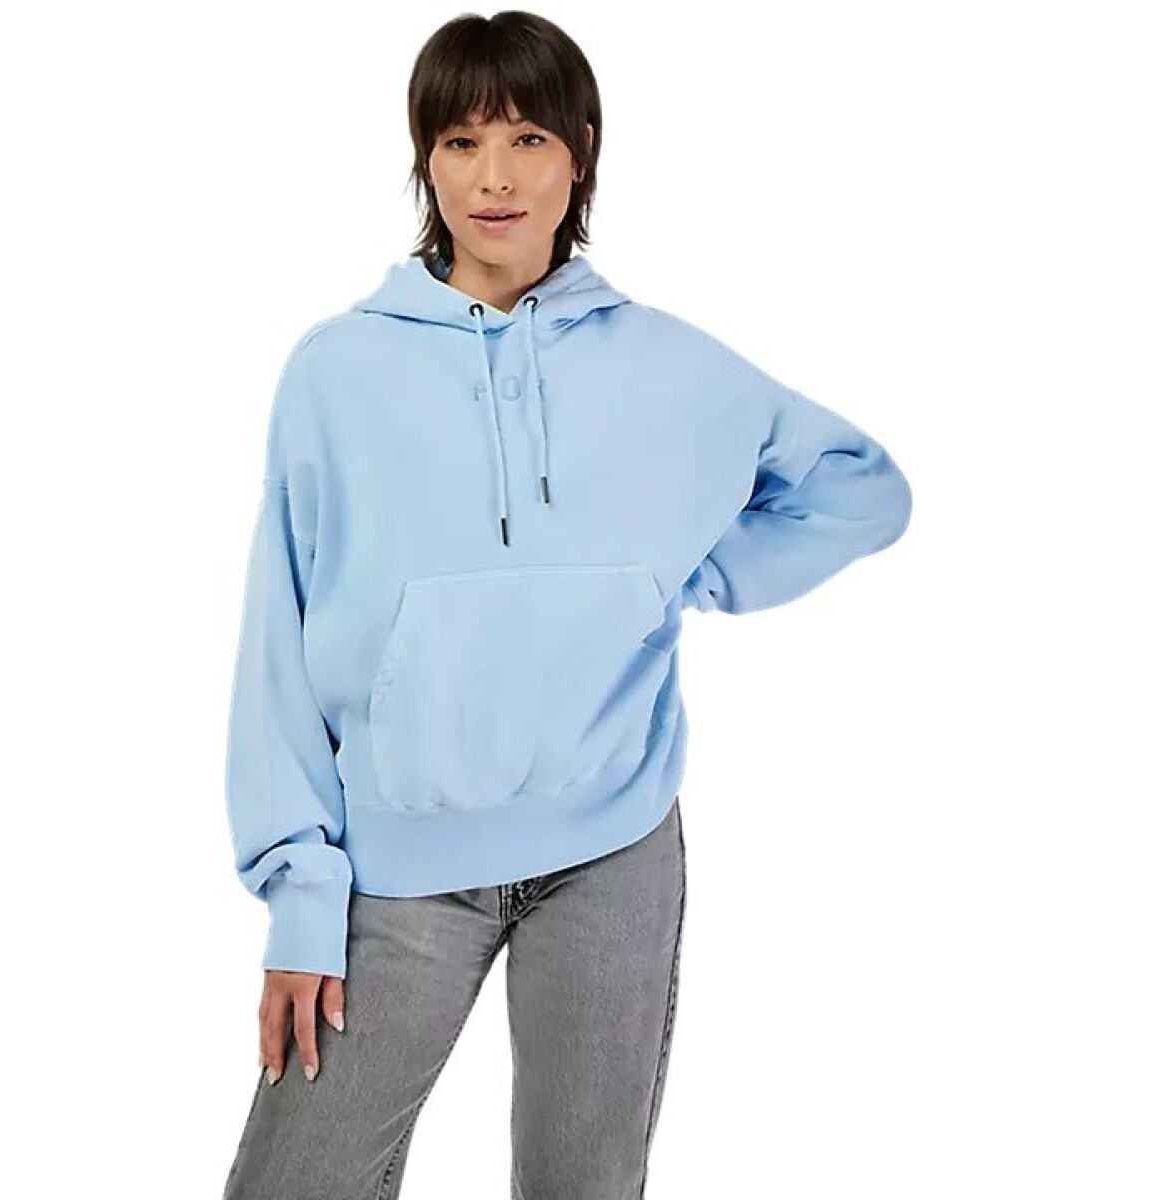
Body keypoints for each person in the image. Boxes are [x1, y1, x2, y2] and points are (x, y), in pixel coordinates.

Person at [221, 11, 913, 1199]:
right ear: (426, 162)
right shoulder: (336, 371)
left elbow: (863, 489)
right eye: (460, 142)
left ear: (581, 151)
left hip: (612, 846)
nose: (494, 177)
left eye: (529, 138)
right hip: (397, 864)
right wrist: (299, 895)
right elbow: (274, 643)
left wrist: (692, 571)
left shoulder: (670, 366)